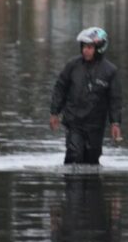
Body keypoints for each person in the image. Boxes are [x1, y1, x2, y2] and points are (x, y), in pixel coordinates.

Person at [50, 27, 122, 165]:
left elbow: (115, 100)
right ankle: (72, 183)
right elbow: (60, 88)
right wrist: (54, 112)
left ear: (99, 48)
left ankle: (91, 185)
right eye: (83, 47)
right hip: (74, 121)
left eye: (89, 47)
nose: (85, 50)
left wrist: (115, 123)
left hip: (96, 125)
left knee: (92, 159)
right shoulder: (72, 65)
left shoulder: (110, 71)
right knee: (74, 154)